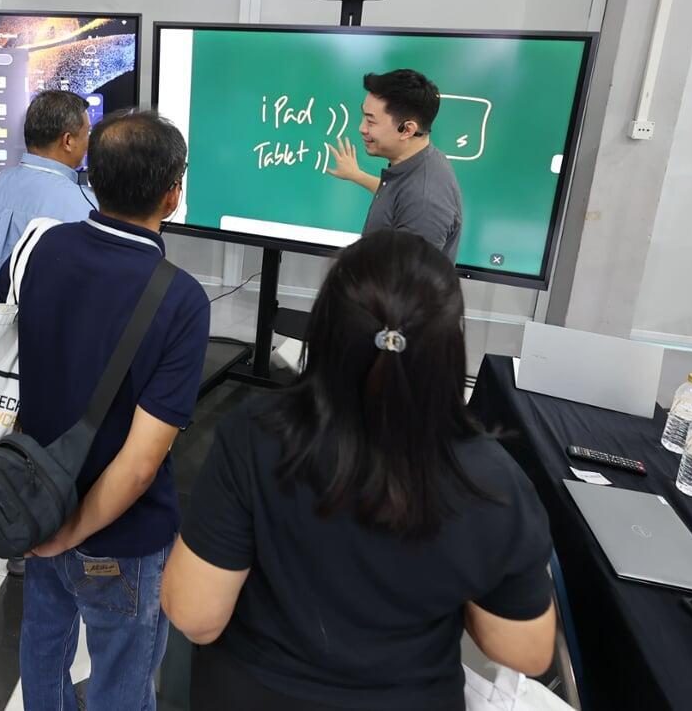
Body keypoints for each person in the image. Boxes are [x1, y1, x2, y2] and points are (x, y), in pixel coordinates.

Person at [161, 229, 556, 710]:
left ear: (324, 329)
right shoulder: (493, 480)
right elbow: (526, 650)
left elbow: (194, 615)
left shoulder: (252, 434)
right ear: (449, 347)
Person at [0, 110, 210, 711]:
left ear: (93, 177)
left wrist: (56, 532)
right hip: (122, 537)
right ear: (172, 194)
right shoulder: (181, 298)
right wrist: (74, 533)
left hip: (37, 498)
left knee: (43, 647)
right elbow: (140, 465)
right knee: (123, 679)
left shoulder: (39, 247)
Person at [325, 68, 463, 260]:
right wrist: (357, 175)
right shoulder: (423, 161)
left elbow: (403, 278)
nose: (362, 128)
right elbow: (397, 196)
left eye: (371, 122)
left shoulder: (424, 203)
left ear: (407, 130)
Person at [0, 89, 95, 301]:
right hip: (41, 319)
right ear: (68, 141)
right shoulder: (83, 204)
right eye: (87, 133)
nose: (89, 142)